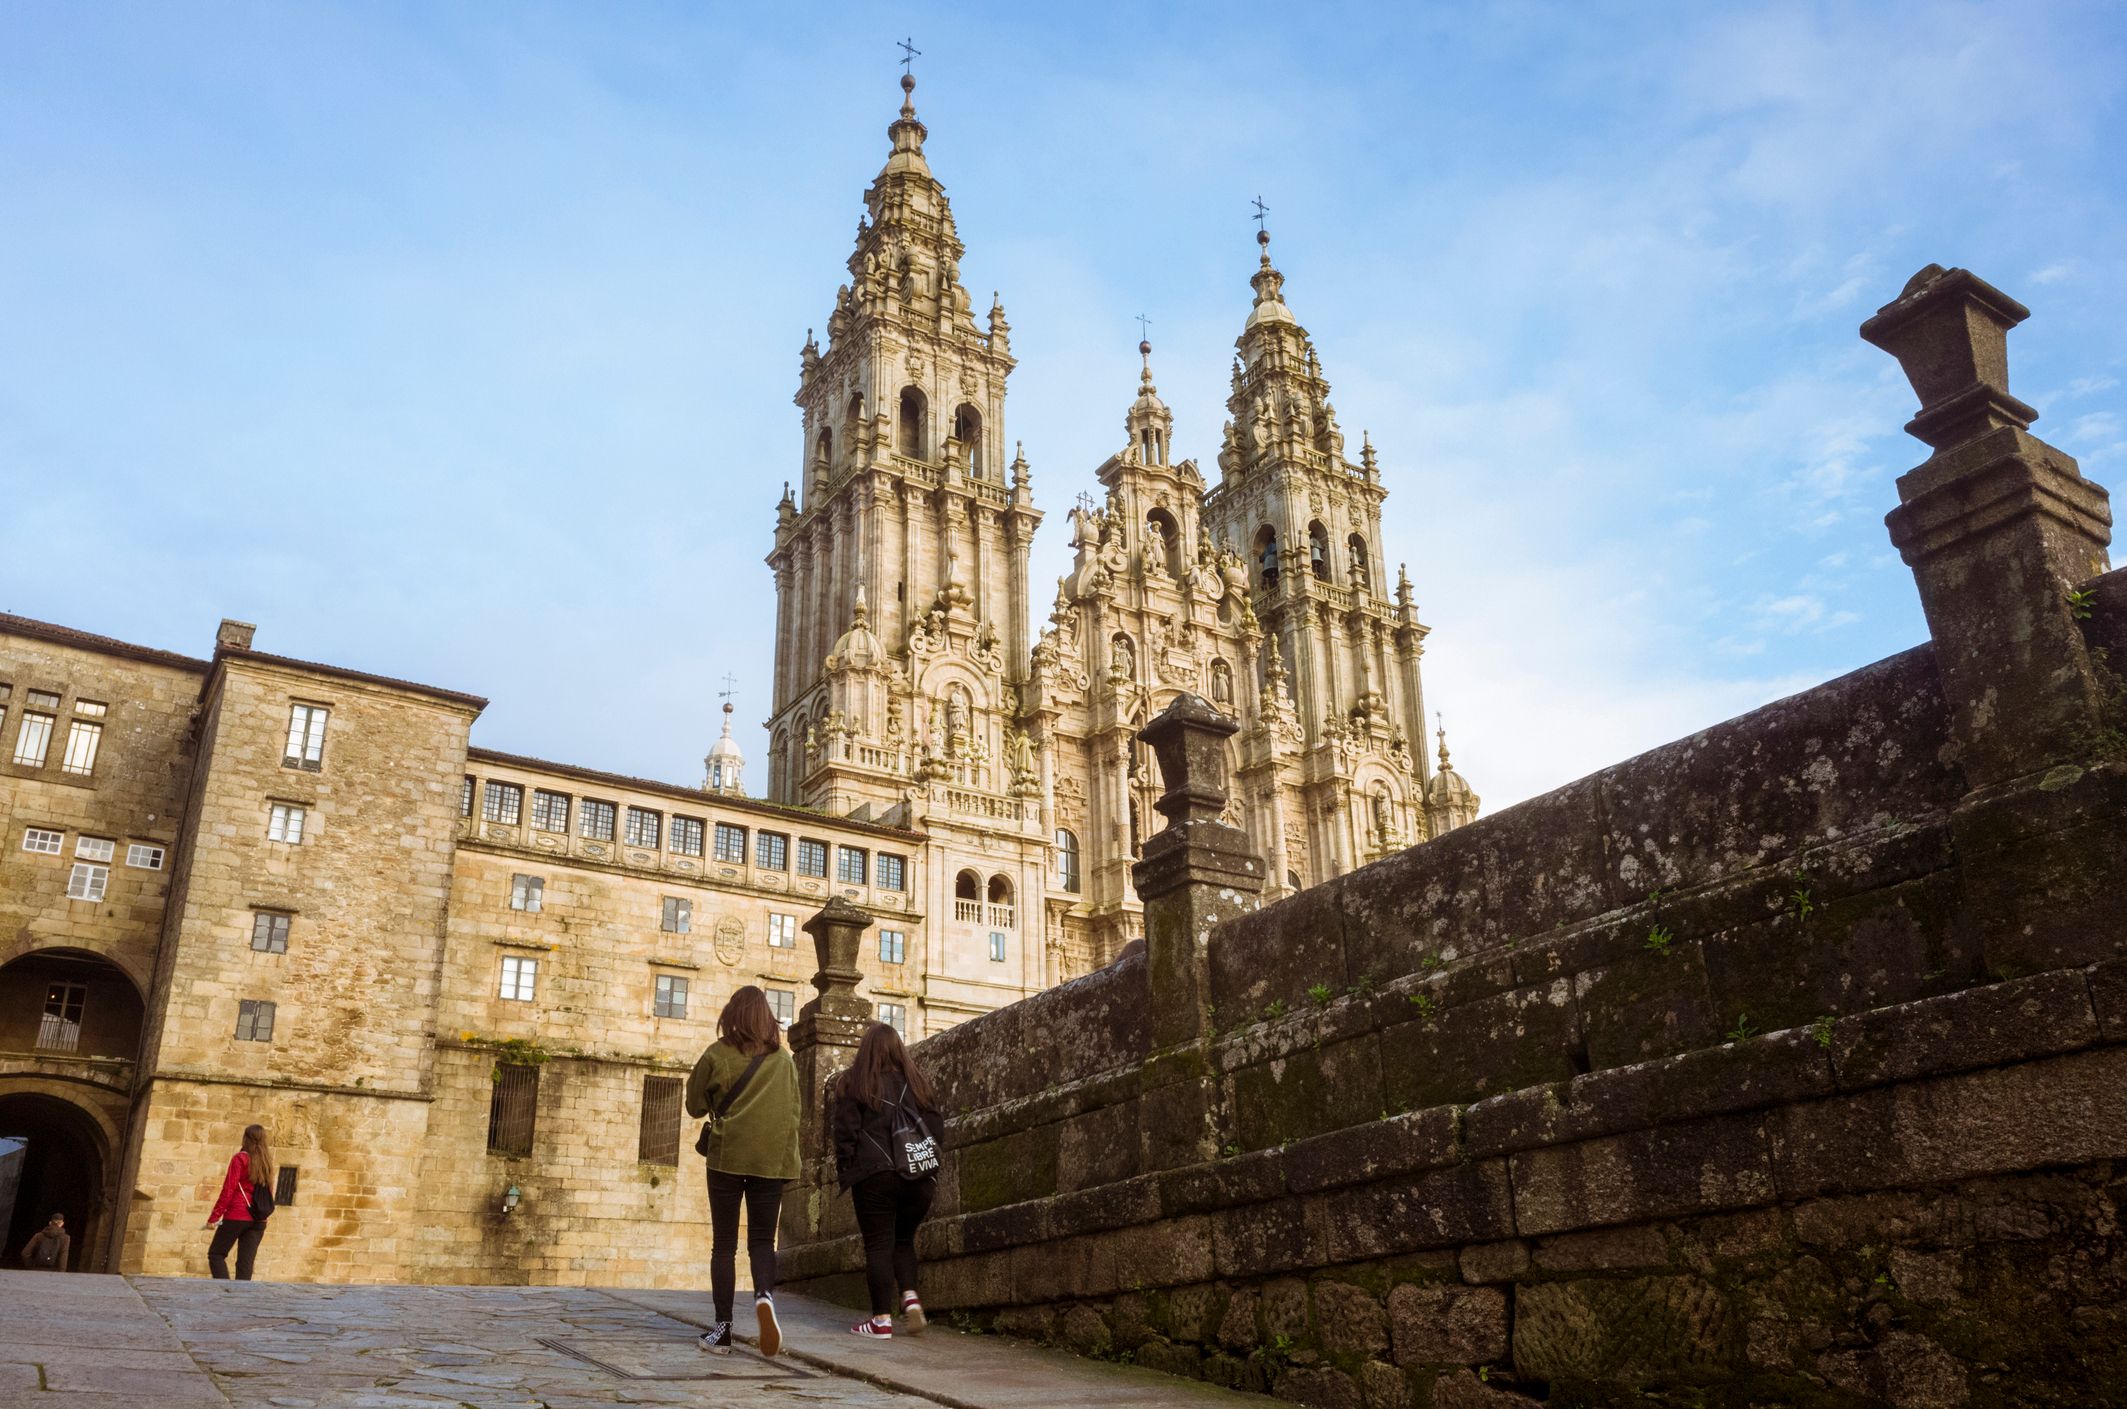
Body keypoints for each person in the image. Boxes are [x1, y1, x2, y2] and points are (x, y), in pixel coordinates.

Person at [685, 985, 800, 1356]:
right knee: (763, 1242)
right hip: (771, 1161)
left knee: (724, 1244)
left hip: (727, 1157)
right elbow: (794, 1114)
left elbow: (694, 1106)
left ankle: (723, 1329)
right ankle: (764, 1297)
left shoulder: (717, 1054)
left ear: (731, 1016)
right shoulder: (784, 1061)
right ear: (767, 1018)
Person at [831, 1021, 944, 1340]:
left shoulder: (854, 1083)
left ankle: (881, 1319)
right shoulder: (918, 1082)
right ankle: (910, 1299)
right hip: (919, 1177)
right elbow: (938, 1130)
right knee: (904, 1240)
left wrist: (849, 1169)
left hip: (876, 1175)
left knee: (879, 1244)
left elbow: (845, 1134)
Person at [203, 1123, 275, 1280]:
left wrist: (214, 1217)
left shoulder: (240, 1159)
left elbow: (228, 1190)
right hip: (259, 1219)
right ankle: (241, 1298)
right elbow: (269, 1191)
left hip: (237, 1214)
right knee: (245, 1264)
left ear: (245, 1138)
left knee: (216, 1254)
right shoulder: (267, 1162)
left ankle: (226, 1289)